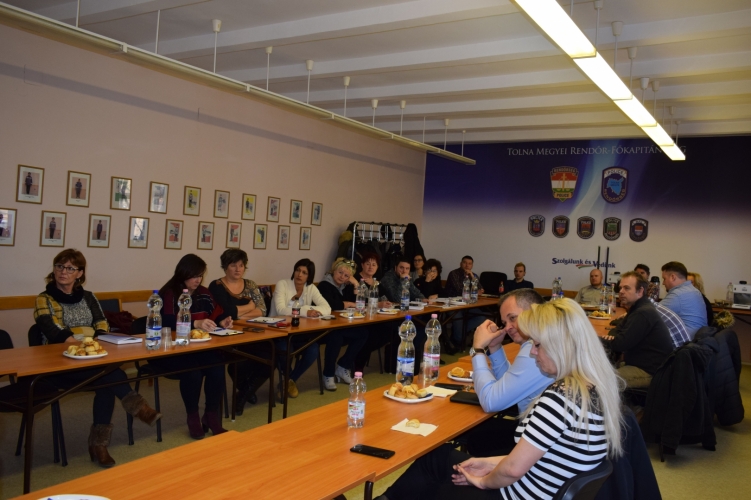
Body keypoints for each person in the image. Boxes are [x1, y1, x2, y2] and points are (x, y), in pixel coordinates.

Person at [378, 298, 624, 500]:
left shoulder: (560, 399)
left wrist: (483, 481)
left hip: (515, 493)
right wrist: (487, 463)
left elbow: (514, 470)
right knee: (438, 458)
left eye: (538, 345)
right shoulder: (592, 389)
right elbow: (533, 457)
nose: (533, 351)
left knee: (435, 481)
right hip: (535, 486)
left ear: (561, 346)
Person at [33, 249, 160, 467]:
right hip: (60, 361)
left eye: (70, 268)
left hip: (92, 358)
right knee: (110, 375)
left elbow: (101, 321)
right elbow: (50, 328)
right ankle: (138, 410)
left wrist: (99, 340)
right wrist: (80, 345)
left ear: (79, 273)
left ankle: (99, 444)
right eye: (59, 266)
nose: (63, 272)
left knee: (106, 380)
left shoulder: (88, 297)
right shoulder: (44, 299)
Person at [151, 254, 233, 439]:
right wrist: (195, 324)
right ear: (183, 273)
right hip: (174, 349)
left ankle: (211, 415)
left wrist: (223, 321)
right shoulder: (170, 293)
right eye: (194, 275)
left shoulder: (204, 292)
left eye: (201, 275)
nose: (198, 280)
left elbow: (216, 312)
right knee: (193, 372)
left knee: (217, 367)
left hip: (199, 347)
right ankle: (193, 416)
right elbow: (166, 320)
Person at [464, 289, 554, 457]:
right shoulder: (541, 341)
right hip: (538, 434)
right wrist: (495, 347)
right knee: (477, 435)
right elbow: (507, 387)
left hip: (534, 445)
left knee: (472, 437)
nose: (507, 328)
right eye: (504, 322)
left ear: (533, 312)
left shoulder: (535, 350)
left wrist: (478, 349)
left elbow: (490, 401)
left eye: (513, 318)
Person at [208, 249, 268, 414]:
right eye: (233, 265)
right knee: (239, 362)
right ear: (225, 266)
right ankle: (245, 391)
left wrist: (238, 314)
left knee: (271, 356)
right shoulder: (216, 286)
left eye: (241, 265)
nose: (238, 269)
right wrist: (249, 306)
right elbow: (226, 312)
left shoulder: (251, 285)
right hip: (227, 337)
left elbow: (262, 310)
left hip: (252, 333)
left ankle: (243, 394)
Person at [270, 258, 331, 399]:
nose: (299, 274)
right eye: (298, 270)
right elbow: (280, 310)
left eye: (304, 272)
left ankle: (289, 380)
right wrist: (305, 311)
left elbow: (327, 308)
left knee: (313, 349)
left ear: (309, 276)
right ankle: (289, 381)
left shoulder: (311, 288)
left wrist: (306, 309)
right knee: (286, 349)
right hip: (279, 332)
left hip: (300, 332)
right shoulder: (283, 284)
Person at [601, 271, 673, 388]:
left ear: (640, 291)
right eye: (620, 288)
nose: (621, 292)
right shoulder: (637, 308)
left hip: (649, 371)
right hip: (640, 363)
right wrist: (611, 338)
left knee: (600, 381)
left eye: (626, 288)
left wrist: (595, 339)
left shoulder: (643, 312)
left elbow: (620, 344)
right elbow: (618, 329)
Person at [316, 259, 368, 390]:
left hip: (340, 325)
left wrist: (356, 284)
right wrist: (348, 304)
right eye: (340, 272)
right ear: (334, 270)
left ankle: (343, 366)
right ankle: (328, 374)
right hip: (323, 327)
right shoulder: (324, 285)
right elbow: (331, 305)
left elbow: (358, 304)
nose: (342, 277)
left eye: (346, 275)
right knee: (336, 337)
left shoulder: (346, 287)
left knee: (363, 333)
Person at [443, 256, 485, 353]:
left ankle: (457, 336)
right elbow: (459, 290)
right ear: (460, 264)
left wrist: (472, 277)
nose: (467, 265)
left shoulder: (473, 275)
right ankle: (457, 341)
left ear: (472, 265)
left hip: (467, 305)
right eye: (465, 263)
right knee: (459, 318)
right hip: (453, 305)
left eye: (469, 263)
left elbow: (481, 290)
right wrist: (474, 291)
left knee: (481, 317)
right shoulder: (453, 273)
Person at [660, 261, 708, 338]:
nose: (663, 283)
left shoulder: (678, 295)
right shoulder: (695, 291)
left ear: (673, 277)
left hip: (686, 343)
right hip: (698, 340)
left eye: (664, 279)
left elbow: (650, 315)